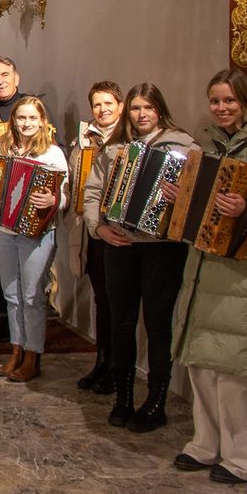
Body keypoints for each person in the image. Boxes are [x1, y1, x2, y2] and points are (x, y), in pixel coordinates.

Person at [172, 69, 247, 484]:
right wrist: (179, 196)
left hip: (242, 273)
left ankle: (245, 458)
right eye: (215, 101)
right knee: (202, 361)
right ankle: (206, 443)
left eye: (229, 100)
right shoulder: (209, 144)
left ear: (246, 101)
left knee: (235, 369)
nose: (221, 108)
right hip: (203, 267)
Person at [82, 83, 193, 425]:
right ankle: (124, 397)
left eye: (148, 107)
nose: (141, 114)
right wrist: (99, 228)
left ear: (159, 109)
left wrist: (182, 195)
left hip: (162, 249)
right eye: (135, 108)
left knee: (158, 324)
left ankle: (156, 402)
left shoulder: (183, 146)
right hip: (120, 245)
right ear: (126, 111)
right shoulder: (114, 148)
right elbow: (92, 193)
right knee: (121, 321)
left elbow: (197, 197)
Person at [0, 97, 68, 382]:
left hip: (37, 233)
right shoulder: (4, 149)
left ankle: (32, 356)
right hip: (5, 231)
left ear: (42, 121)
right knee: (11, 295)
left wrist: (55, 200)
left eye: (32, 118)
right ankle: (16, 351)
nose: (26, 123)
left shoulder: (52, 153)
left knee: (31, 297)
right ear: (14, 121)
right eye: (21, 118)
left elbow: (66, 195)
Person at [66, 81, 124, 394]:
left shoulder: (127, 138)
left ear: (120, 106)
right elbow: (75, 180)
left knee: (117, 302)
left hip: (117, 229)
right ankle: (102, 361)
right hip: (91, 228)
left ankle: (118, 367)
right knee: (102, 299)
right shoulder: (85, 140)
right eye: (97, 105)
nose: (102, 110)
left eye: (108, 104)